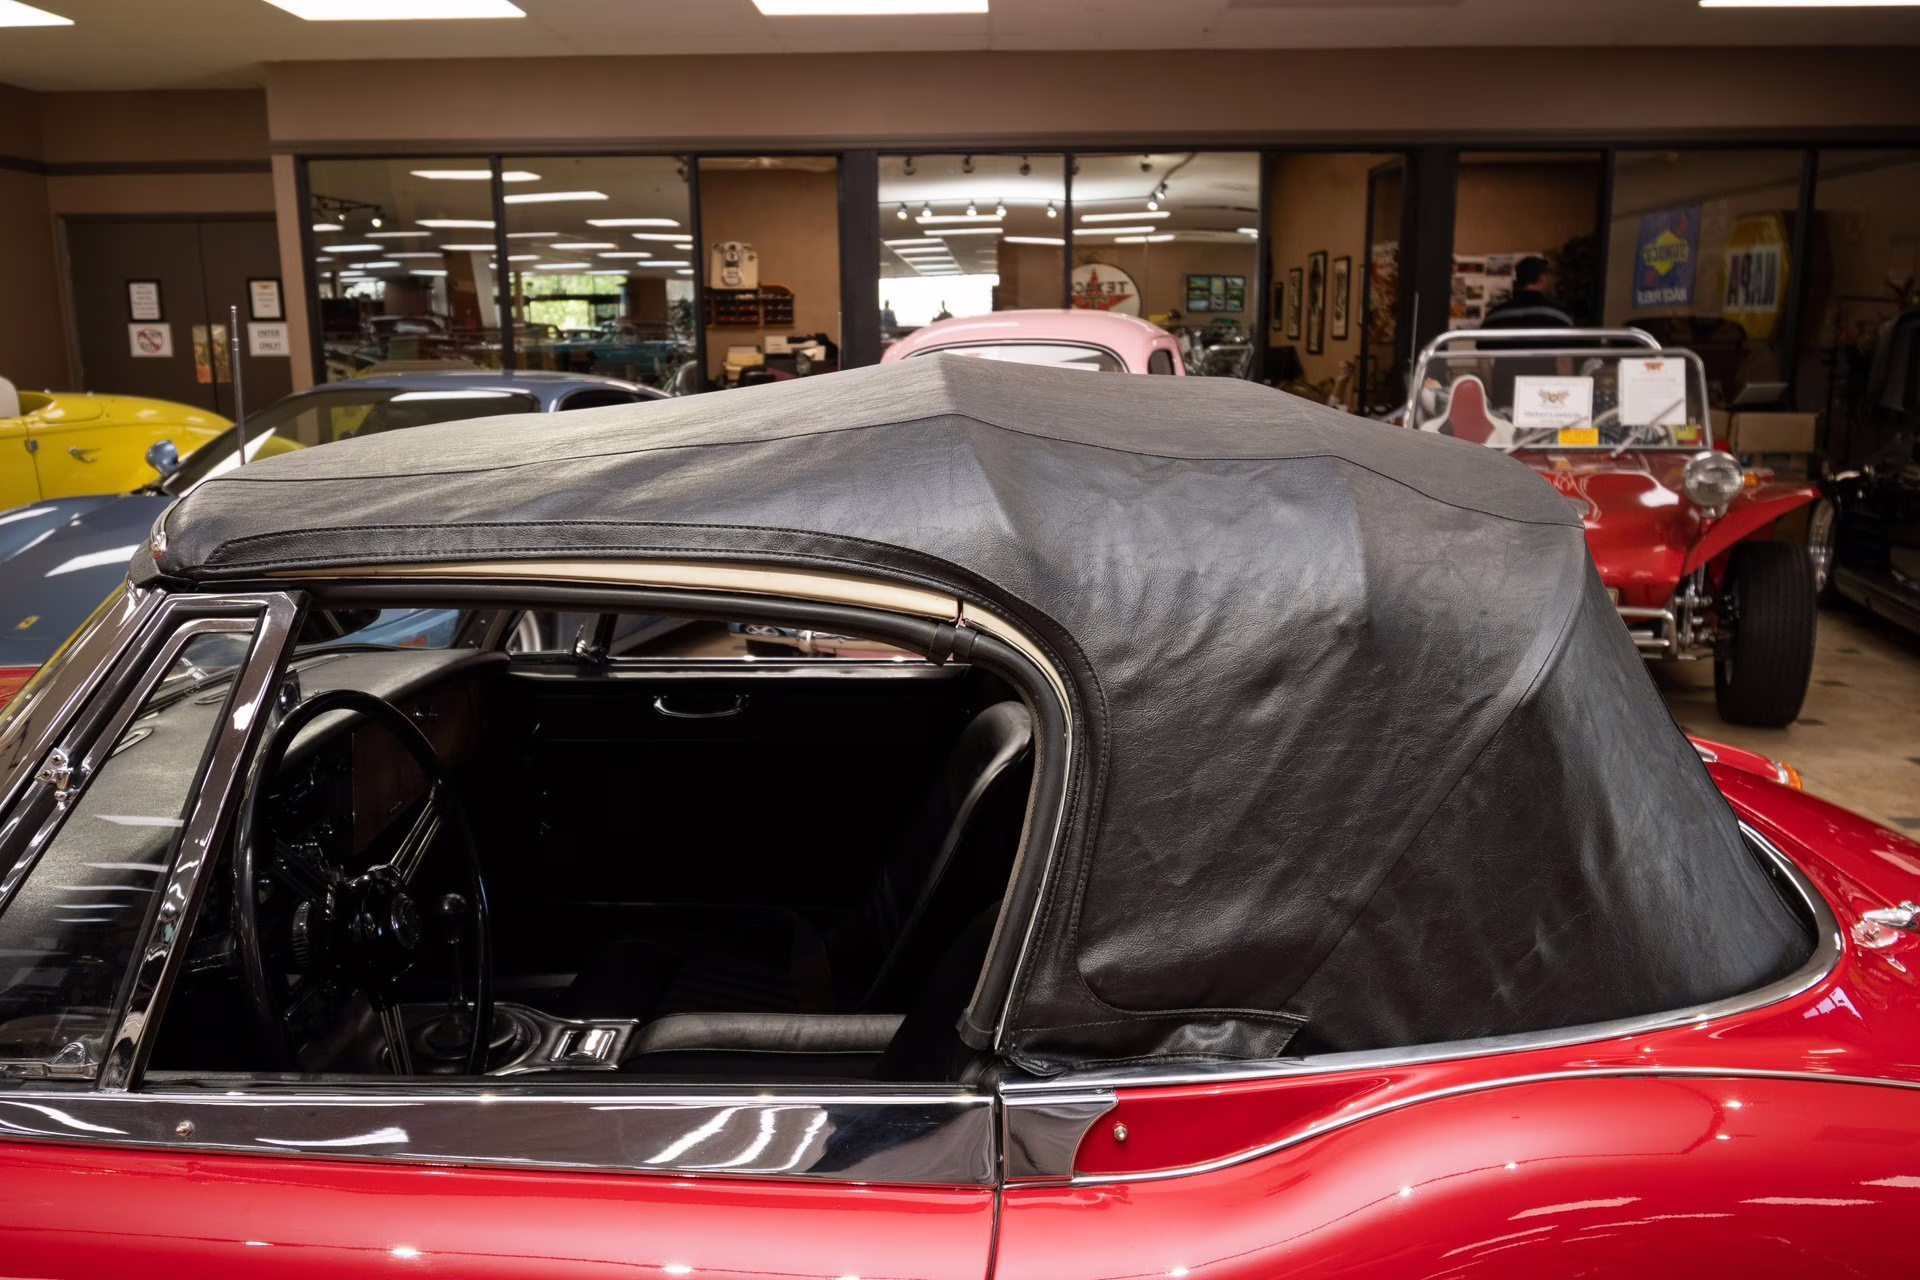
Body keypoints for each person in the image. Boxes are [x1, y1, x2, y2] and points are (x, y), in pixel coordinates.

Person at [1482, 256, 1574, 330]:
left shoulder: (1494, 315)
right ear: (1542, 278)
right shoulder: (1559, 314)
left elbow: (1482, 345)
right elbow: (1572, 345)